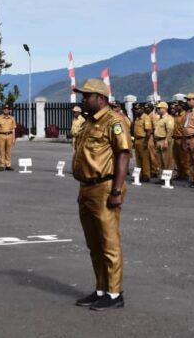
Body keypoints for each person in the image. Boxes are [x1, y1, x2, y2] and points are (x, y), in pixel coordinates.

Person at [72, 78, 131, 311]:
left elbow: (123, 155)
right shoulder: (88, 123)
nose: (83, 99)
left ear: (102, 98)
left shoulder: (114, 122)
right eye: (83, 95)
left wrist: (116, 190)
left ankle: (115, 294)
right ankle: (100, 289)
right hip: (86, 188)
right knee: (93, 243)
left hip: (105, 187)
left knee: (109, 242)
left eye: (87, 96)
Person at [152, 101, 174, 176]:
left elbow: (170, 131)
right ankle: (162, 177)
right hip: (158, 140)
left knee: (167, 160)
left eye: (159, 108)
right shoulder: (159, 119)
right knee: (160, 160)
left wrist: (166, 141)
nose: (157, 110)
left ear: (164, 109)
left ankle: (168, 178)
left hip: (164, 140)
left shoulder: (169, 118)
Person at [0, 105, 16, 171]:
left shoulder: (12, 118)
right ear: (3, 110)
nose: (6, 110)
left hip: (9, 135)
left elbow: (13, 129)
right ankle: (1, 165)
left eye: (7, 109)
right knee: (1, 151)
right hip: (1, 135)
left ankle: (8, 165)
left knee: (8, 151)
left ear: (9, 110)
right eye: (5, 109)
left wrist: (13, 138)